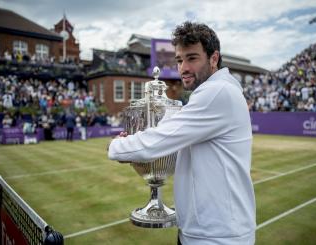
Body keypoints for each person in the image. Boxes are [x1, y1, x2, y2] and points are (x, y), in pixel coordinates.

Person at [108, 21, 256, 245]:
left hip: (218, 237)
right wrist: (135, 144)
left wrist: (117, 147)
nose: (183, 68)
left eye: (192, 58)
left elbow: (158, 141)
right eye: (179, 60)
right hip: (201, 231)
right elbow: (169, 134)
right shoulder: (212, 92)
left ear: (213, 59)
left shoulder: (218, 92)